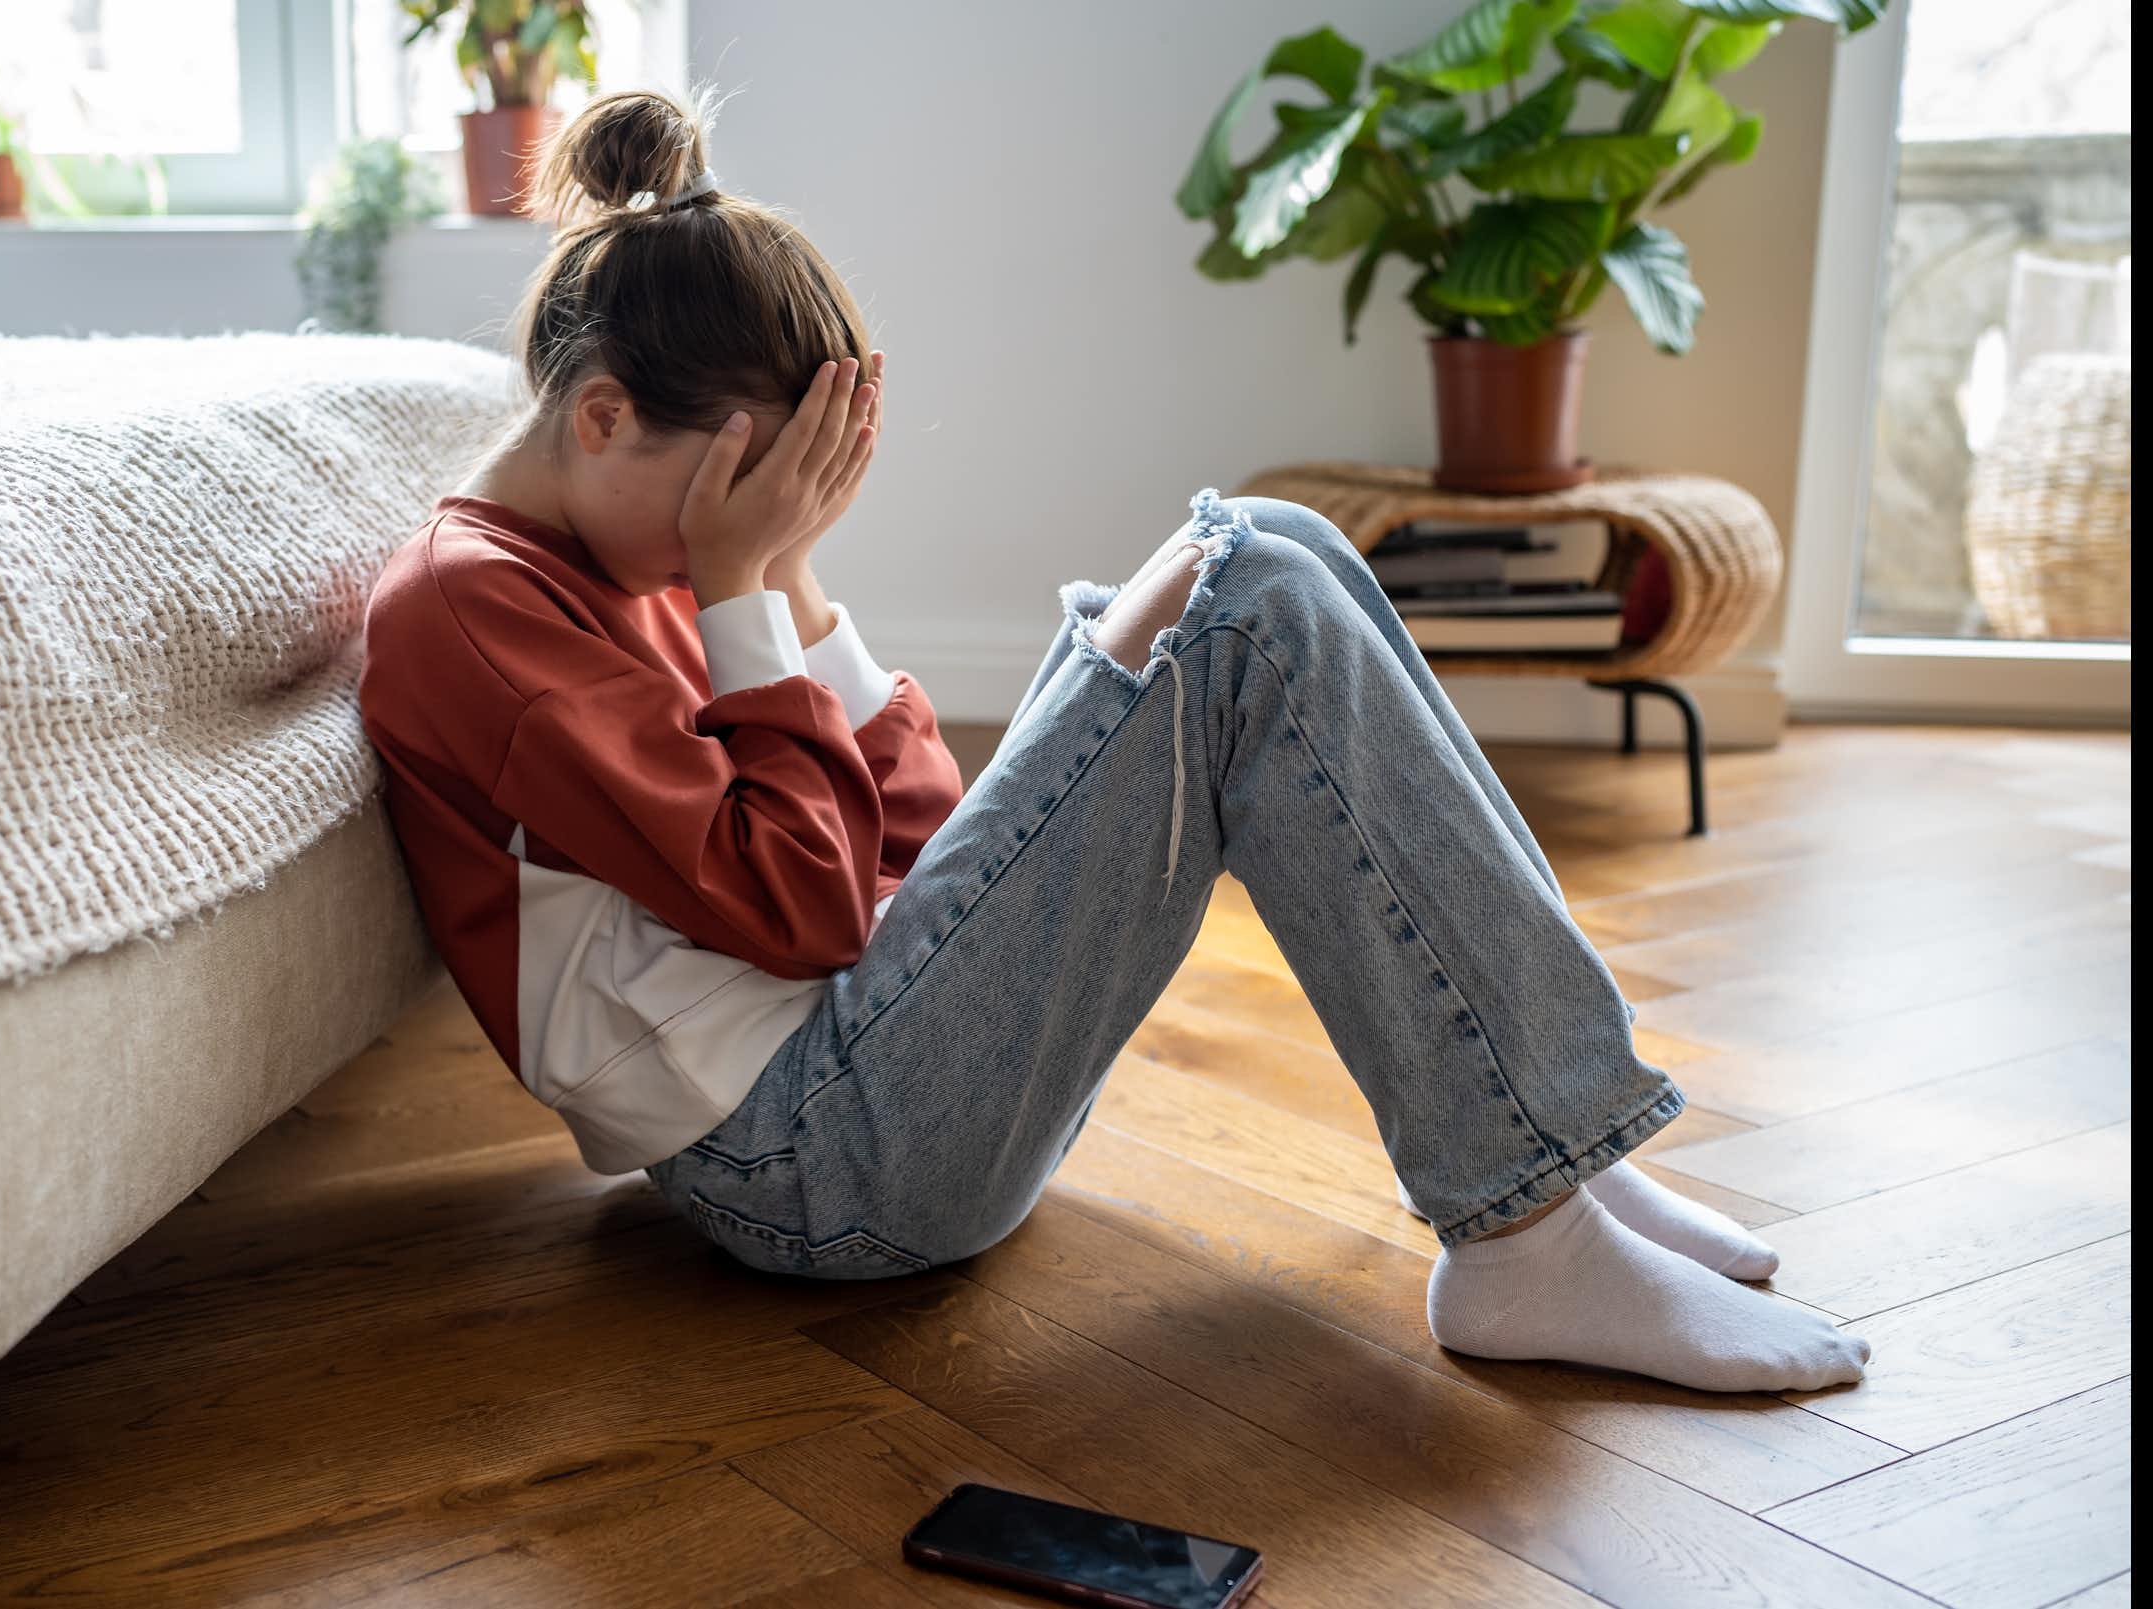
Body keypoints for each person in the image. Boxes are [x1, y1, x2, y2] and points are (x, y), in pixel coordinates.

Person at [357, 88, 1869, 1394]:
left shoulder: (644, 556)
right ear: (604, 418)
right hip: (805, 1165)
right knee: (1251, 597)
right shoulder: (480, 610)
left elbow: (913, 835)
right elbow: (809, 909)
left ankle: (1557, 1159)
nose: (740, 533)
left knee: (1264, 548)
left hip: (861, 1083)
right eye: (746, 487)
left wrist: (791, 578)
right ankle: (1530, 1231)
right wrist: (743, 585)